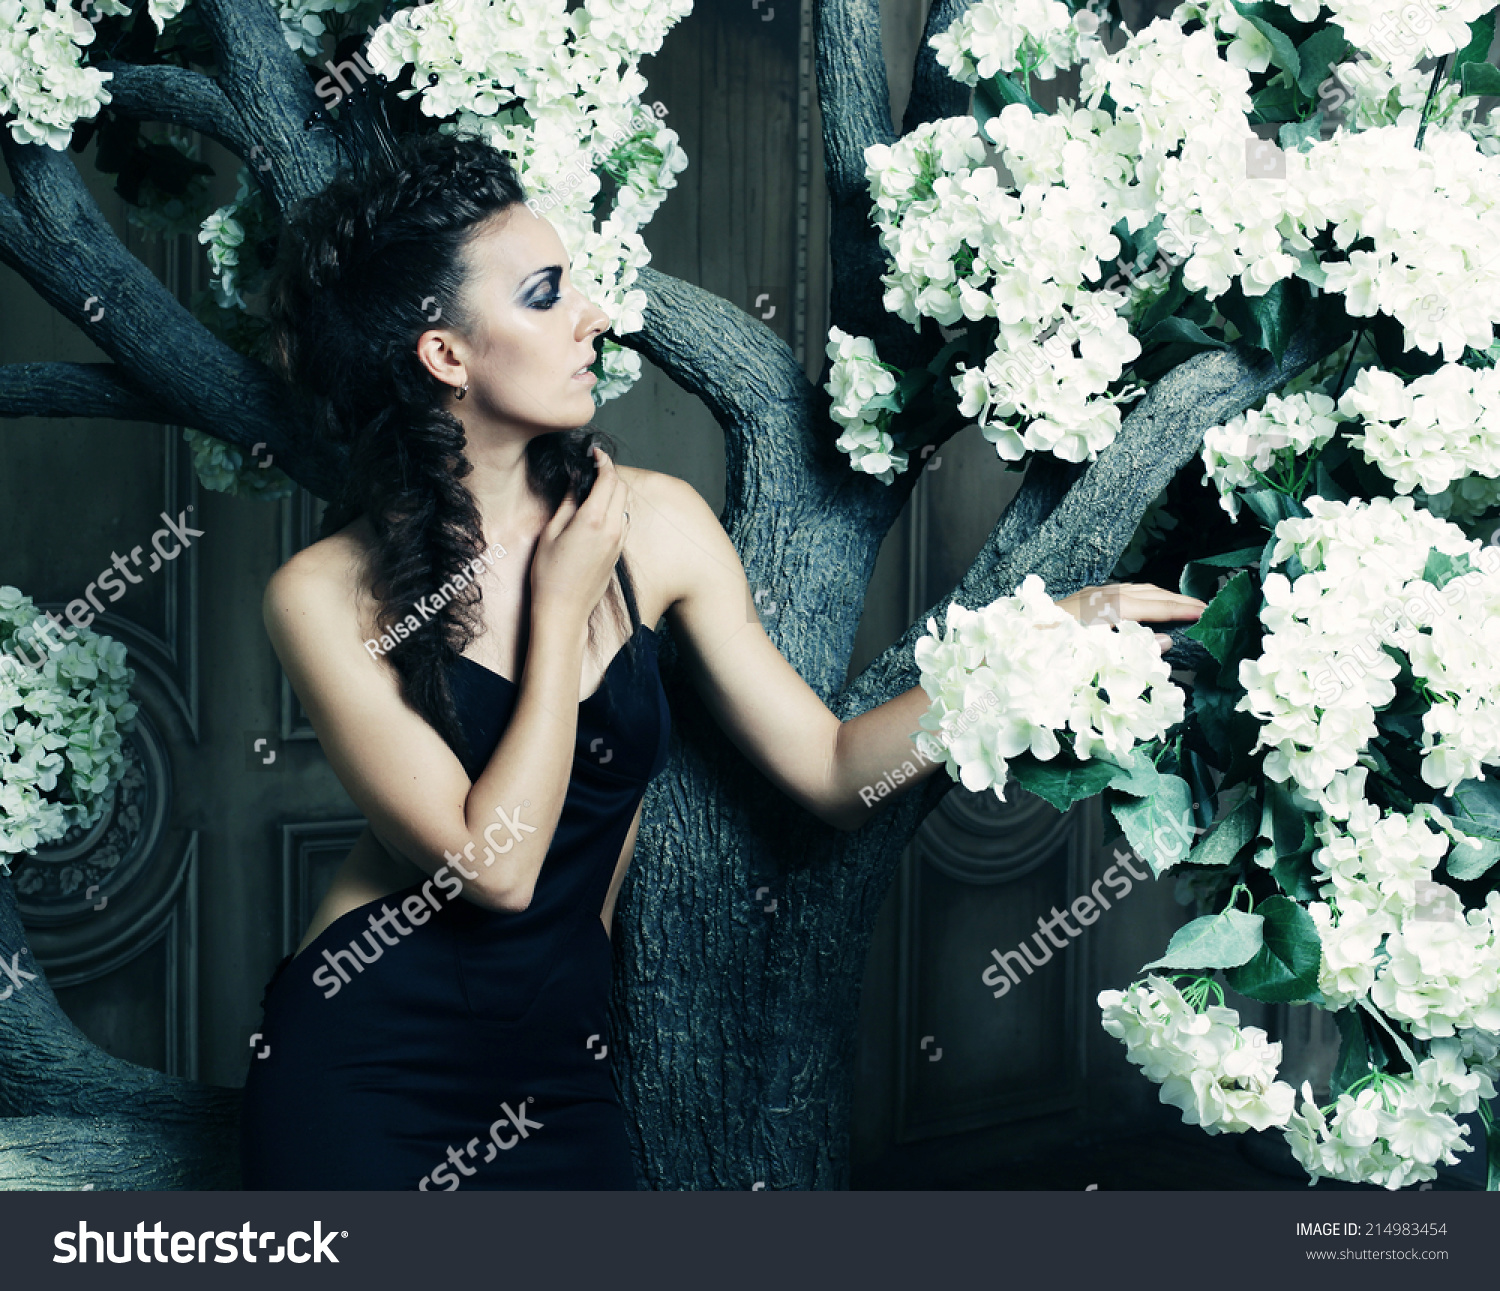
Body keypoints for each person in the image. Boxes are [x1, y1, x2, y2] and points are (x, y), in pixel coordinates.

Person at [238, 130, 1205, 1190]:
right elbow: (496, 869)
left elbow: (837, 775)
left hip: (555, 1064)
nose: (593, 316)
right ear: (447, 356)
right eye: (546, 294)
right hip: (368, 1059)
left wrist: (1050, 635)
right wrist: (561, 617)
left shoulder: (657, 525)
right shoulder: (325, 594)